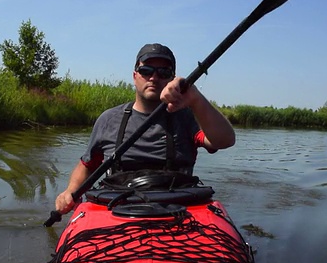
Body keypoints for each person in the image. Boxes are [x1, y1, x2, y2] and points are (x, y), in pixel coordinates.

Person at [55, 43, 235, 214]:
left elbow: (224, 140)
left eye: (163, 72)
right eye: (146, 70)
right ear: (135, 76)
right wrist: (70, 191)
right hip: (119, 205)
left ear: (172, 79)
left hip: (177, 205)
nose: (154, 78)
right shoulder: (108, 120)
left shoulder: (188, 117)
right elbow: (87, 164)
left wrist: (196, 99)